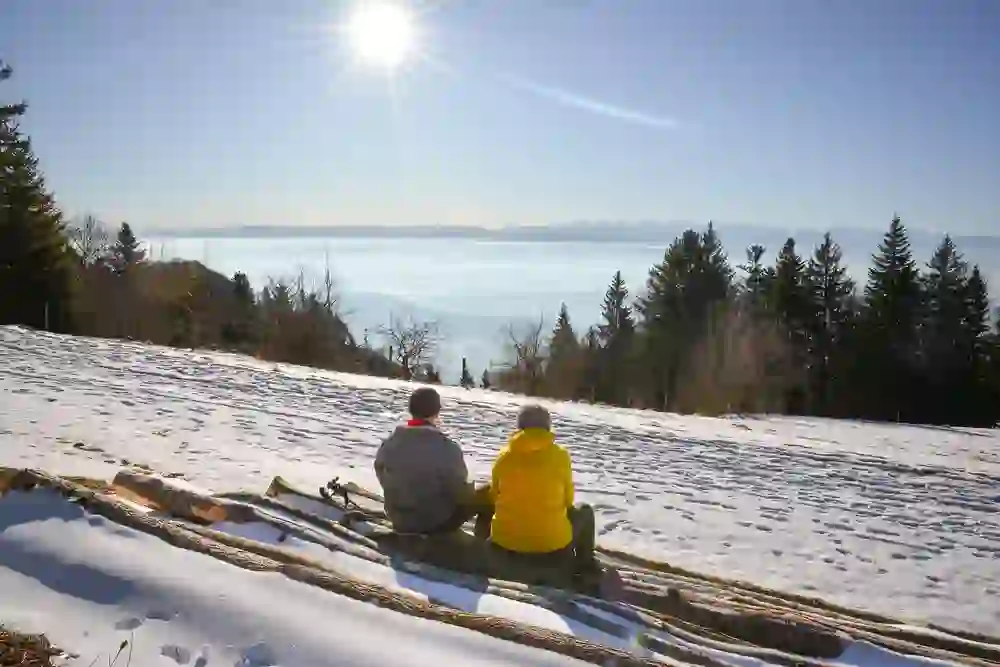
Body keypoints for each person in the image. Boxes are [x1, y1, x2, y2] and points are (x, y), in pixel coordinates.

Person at [488, 404, 597, 576]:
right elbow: (568, 501)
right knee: (585, 511)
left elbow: (494, 495)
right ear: (547, 426)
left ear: (519, 427)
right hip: (551, 549)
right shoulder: (561, 456)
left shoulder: (504, 457)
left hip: (507, 546)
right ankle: (586, 565)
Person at [374, 387, 492, 537]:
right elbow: (459, 491)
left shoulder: (391, 442)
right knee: (489, 494)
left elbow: (380, 470)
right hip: (433, 524)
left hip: (399, 519)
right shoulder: (446, 448)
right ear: (437, 412)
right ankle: (480, 547)